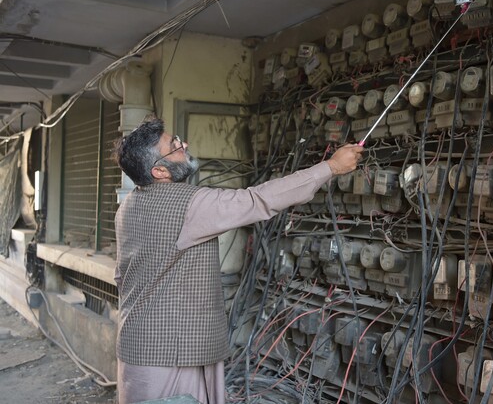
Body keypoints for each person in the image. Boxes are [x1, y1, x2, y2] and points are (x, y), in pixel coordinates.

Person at [112, 117, 363, 404]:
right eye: (175, 146)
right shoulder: (189, 204)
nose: (185, 145)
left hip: (136, 347)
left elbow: (121, 276)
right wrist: (330, 167)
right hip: (173, 356)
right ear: (159, 171)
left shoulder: (128, 206)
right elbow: (258, 199)